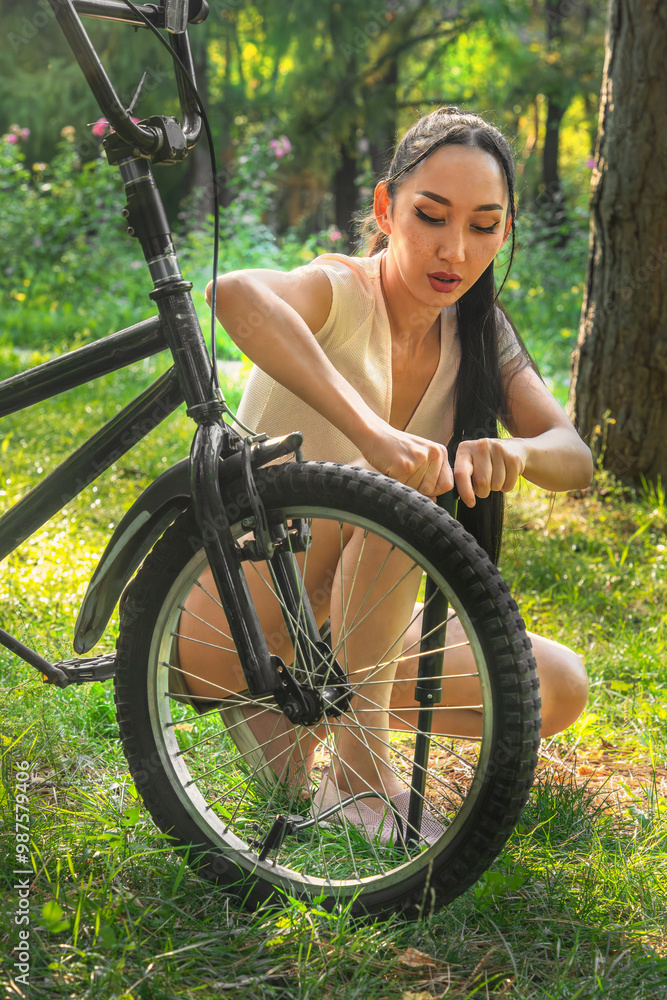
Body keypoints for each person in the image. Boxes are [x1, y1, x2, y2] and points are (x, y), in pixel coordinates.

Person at [175, 106, 592, 842]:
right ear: (383, 208)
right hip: (238, 621)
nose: (454, 250)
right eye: (431, 216)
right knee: (398, 501)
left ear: (503, 233)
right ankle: (360, 771)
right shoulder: (339, 290)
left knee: (553, 686)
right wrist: (375, 437)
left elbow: (572, 454)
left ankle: (310, 726)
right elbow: (233, 293)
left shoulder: (478, 331)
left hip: (342, 638)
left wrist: (516, 455)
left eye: (483, 225)